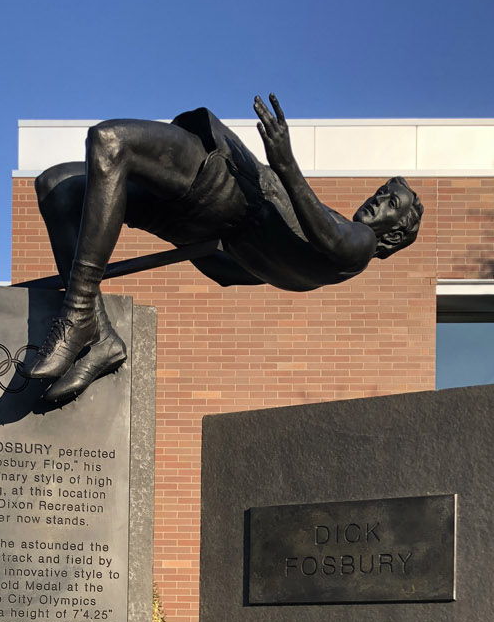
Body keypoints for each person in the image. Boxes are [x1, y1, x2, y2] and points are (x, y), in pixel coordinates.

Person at [28, 95, 424, 403]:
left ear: (392, 235)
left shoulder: (357, 242)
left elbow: (332, 238)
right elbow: (233, 271)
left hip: (220, 185)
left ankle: (78, 314)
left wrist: (285, 163)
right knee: (58, 188)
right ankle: (100, 336)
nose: (378, 200)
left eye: (390, 205)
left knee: (110, 139)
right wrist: (194, 243)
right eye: (382, 192)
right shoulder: (316, 266)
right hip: (194, 217)